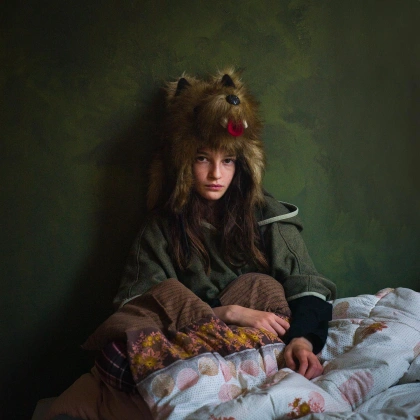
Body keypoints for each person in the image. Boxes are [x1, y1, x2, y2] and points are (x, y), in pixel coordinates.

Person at [106, 70, 336, 385]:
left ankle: (246, 369)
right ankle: (219, 375)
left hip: (264, 335)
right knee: (116, 352)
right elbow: (136, 306)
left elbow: (306, 284)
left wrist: (302, 340)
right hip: (196, 338)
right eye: (202, 158)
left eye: (227, 160)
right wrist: (226, 313)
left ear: (241, 165)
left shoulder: (266, 214)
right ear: (183, 163)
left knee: (262, 285)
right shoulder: (160, 228)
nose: (216, 173)